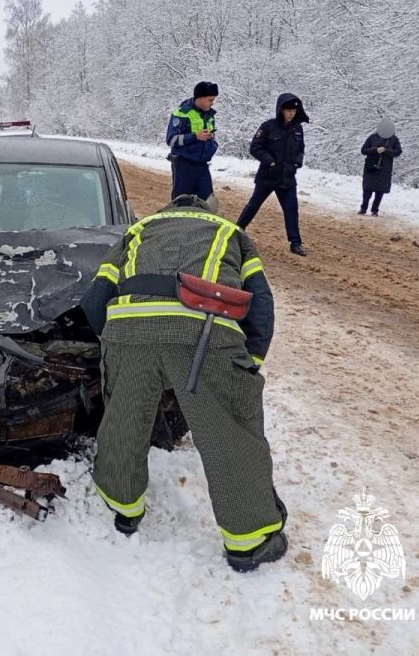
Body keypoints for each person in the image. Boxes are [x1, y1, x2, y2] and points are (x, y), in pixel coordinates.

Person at [80, 194, 288, 573]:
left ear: (165, 212)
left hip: (129, 329)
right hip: (204, 331)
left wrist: (116, 344)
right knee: (229, 432)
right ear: (205, 214)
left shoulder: (137, 230)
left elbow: (96, 300)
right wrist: (246, 365)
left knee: (123, 417)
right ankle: (250, 541)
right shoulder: (232, 233)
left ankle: (121, 506)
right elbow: (261, 305)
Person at [237, 93, 310, 257]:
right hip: (268, 176)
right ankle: (237, 231)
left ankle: (295, 243)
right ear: (281, 110)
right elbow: (255, 147)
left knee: (292, 209)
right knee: (253, 205)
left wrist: (297, 162)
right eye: (288, 110)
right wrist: (269, 161)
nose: (291, 113)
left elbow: (300, 149)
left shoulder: (297, 129)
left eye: (293, 110)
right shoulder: (268, 126)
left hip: (287, 177)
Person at [165, 81, 219, 201]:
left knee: (208, 202)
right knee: (182, 203)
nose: (212, 103)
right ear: (200, 98)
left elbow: (211, 136)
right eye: (210, 100)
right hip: (184, 165)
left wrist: (213, 144)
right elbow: (171, 139)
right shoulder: (182, 113)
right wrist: (195, 137)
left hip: (203, 165)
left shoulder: (209, 115)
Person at [359, 118, 402, 216]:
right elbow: (363, 150)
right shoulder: (372, 137)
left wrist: (386, 150)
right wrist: (375, 150)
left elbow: (398, 152)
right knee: (367, 190)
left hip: (384, 168)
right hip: (371, 167)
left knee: (380, 191)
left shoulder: (394, 140)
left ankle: (375, 210)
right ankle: (363, 208)